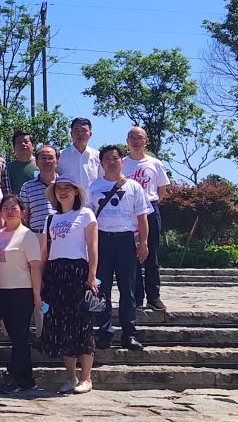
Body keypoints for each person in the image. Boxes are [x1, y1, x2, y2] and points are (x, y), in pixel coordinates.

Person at [40, 176, 99, 395]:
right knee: (62, 325)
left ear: (75, 192)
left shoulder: (85, 214)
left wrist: (92, 275)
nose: (63, 192)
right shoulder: (50, 219)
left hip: (78, 271)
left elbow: (92, 247)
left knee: (82, 324)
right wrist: (42, 277)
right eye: (59, 189)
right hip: (56, 272)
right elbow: (44, 251)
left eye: (67, 188)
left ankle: (86, 377)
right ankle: (71, 376)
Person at [92, 145, 151, 351]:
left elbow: (142, 217)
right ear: (101, 163)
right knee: (101, 290)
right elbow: (88, 220)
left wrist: (143, 243)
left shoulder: (134, 186)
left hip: (126, 241)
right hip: (102, 241)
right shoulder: (93, 187)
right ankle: (104, 332)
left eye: (115, 158)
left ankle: (129, 334)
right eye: (107, 158)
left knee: (128, 290)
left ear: (121, 161)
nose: (111, 162)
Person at [0, 194, 42, 394]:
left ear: (23, 212)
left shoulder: (27, 235)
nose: (10, 211)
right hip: (1, 292)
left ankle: (13, 376)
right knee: (16, 337)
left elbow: (35, 267)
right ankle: (26, 380)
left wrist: (36, 295)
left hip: (21, 292)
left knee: (20, 337)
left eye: (14, 208)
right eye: (6, 208)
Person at [124, 126, 170, 311]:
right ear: (127, 141)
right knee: (131, 256)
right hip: (128, 213)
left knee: (151, 254)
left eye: (139, 137)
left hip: (150, 210)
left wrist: (148, 206)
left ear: (146, 141)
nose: (136, 141)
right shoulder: (122, 163)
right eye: (132, 137)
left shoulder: (155, 163)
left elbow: (162, 190)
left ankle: (154, 297)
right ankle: (136, 297)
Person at [19, 146, 57, 233]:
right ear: (36, 162)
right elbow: (24, 217)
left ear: (57, 161)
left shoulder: (65, 185)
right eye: (43, 158)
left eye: (50, 158)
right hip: (36, 234)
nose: (47, 161)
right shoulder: (27, 187)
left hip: (61, 235)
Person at [57, 117, 103, 192]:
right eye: (76, 130)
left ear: (90, 134)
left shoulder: (99, 157)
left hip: (93, 199)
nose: (80, 134)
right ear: (71, 134)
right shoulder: (60, 156)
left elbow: (103, 180)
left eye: (84, 130)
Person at [8, 131, 38, 195]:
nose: (23, 144)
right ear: (14, 147)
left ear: (33, 146)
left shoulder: (42, 164)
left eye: (26, 142)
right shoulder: (7, 168)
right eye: (19, 142)